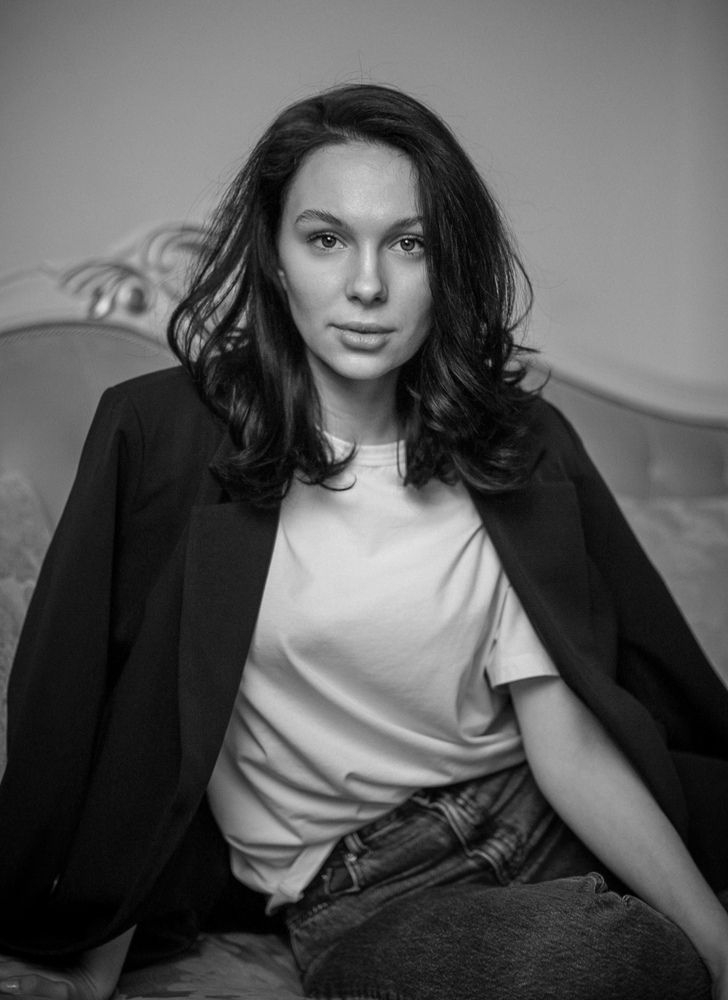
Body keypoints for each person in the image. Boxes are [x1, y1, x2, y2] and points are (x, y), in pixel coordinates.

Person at [0, 83, 727, 1000]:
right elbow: (116, 713)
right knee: (612, 958)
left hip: (542, 814)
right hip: (363, 891)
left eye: (409, 244)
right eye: (326, 239)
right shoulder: (166, 438)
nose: (369, 284)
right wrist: (88, 958)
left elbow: (566, 739)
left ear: (447, 264)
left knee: (667, 933)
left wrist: (718, 947)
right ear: (273, 256)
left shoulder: (513, 442)